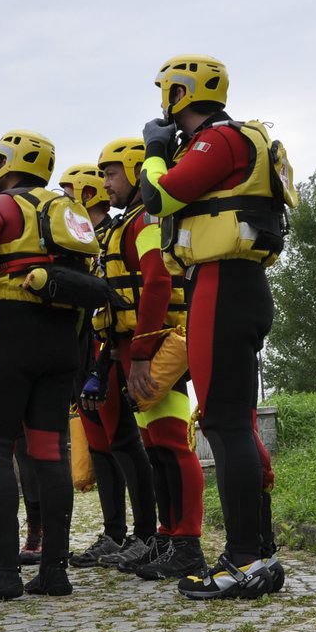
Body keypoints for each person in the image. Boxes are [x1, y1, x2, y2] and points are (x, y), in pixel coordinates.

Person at [139, 55, 289, 599]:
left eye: (167, 93)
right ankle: (259, 552)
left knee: (225, 423)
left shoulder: (218, 139)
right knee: (233, 420)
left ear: (180, 93)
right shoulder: (228, 140)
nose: (163, 104)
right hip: (230, 284)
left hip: (224, 284)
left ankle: (245, 557)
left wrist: (155, 153)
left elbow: (160, 196)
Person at [0, 131, 99, 601]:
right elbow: (84, 283)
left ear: (2, 163)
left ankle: (3, 573)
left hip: (8, 332)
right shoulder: (70, 210)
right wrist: (74, 351)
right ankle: (54, 571)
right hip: (61, 339)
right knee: (49, 451)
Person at [98, 137, 210, 582]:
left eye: (110, 173)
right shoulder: (126, 222)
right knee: (154, 448)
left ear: (132, 168)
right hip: (136, 346)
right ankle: (168, 536)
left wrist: (142, 352)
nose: (104, 182)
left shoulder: (146, 218)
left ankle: (188, 544)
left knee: (171, 445)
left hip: (158, 344)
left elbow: (158, 283)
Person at [59, 164, 158, 571]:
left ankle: (146, 533)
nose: (62, 201)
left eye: (67, 193)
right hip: (89, 353)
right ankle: (115, 531)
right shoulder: (83, 241)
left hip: (113, 348)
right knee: (102, 446)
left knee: (124, 441)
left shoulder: (117, 232)